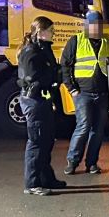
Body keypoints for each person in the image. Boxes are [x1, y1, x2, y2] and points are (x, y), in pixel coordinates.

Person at [62, 10, 109, 175]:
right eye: (92, 24)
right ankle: (73, 161)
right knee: (84, 126)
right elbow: (65, 65)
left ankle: (91, 163)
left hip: (103, 93)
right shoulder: (76, 40)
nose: (95, 28)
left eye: (98, 24)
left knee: (98, 130)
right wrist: (72, 88)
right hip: (83, 93)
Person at [17, 16, 66, 195]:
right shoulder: (31, 52)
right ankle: (32, 184)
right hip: (34, 101)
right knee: (37, 142)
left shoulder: (43, 49)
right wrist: (52, 78)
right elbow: (33, 78)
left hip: (43, 100)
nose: (53, 33)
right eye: (51, 30)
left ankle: (46, 179)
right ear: (40, 32)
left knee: (47, 140)